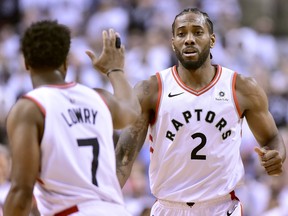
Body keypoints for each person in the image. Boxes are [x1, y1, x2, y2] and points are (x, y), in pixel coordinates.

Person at [115, 8, 286, 216]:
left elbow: (272, 138)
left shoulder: (241, 88)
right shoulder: (151, 90)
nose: (189, 39)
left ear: (212, 40)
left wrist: (276, 156)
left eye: (197, 32)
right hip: (169, 206)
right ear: (173, 42)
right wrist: (103, 202)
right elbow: (123, 158)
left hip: (222, 207)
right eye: (181, 33)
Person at [3, 20, 141, 216]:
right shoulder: (98, 98)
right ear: (65, 63)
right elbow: (131, 111)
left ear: (26, 62)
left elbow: (21, 192)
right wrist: (115, 70)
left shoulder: (29, 108)